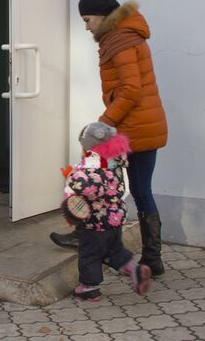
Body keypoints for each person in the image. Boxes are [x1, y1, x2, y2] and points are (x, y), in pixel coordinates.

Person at [50, 0, 168, 277]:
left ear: (102, 16)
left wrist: (102, 124)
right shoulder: (124, 35)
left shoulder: (121, 40)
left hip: (132, 130)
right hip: (139, 127)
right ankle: (152, 258)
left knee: (94, 179)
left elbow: (130, 90)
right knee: (130, 189)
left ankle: (95, 240)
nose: (86, 26)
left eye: (87, 19)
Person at [65, 122, 151, 301]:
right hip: (114, 219)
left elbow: (90, 188)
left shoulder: (93, 165)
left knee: (90, 254)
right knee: (114, 251)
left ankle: (88, 288)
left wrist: (73, 180)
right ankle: (135, 270)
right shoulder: (115, 162)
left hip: (96, 221)